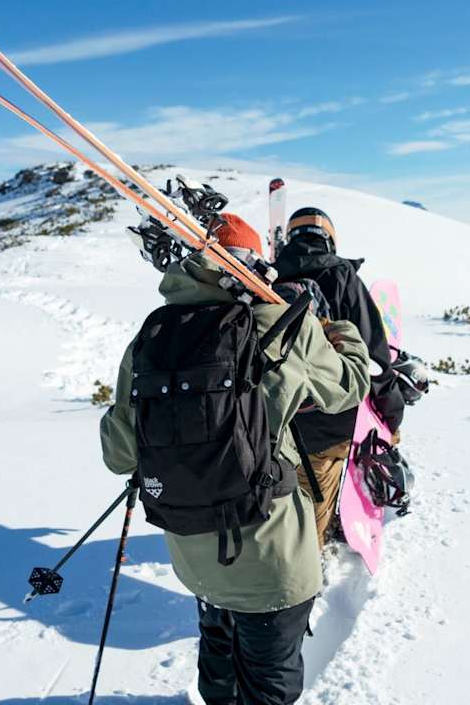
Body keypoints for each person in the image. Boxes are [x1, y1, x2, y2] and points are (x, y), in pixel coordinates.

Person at [100, 213, 371, 705]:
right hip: (273, 560)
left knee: (218, 662)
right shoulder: (278, 323)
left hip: (194, 555)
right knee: (267, 685)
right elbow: (351, 385)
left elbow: (119, 456)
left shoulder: (150, 339)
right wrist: (336, 328)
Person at [273, 206, 407, 548]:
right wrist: (391, 415)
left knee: (282, 498)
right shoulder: (342, 276)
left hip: (275, 420)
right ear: (329, 239)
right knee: (307, 526)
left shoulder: (267, 276)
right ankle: (304, 574)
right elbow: (373, 359)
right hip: (330, 422)